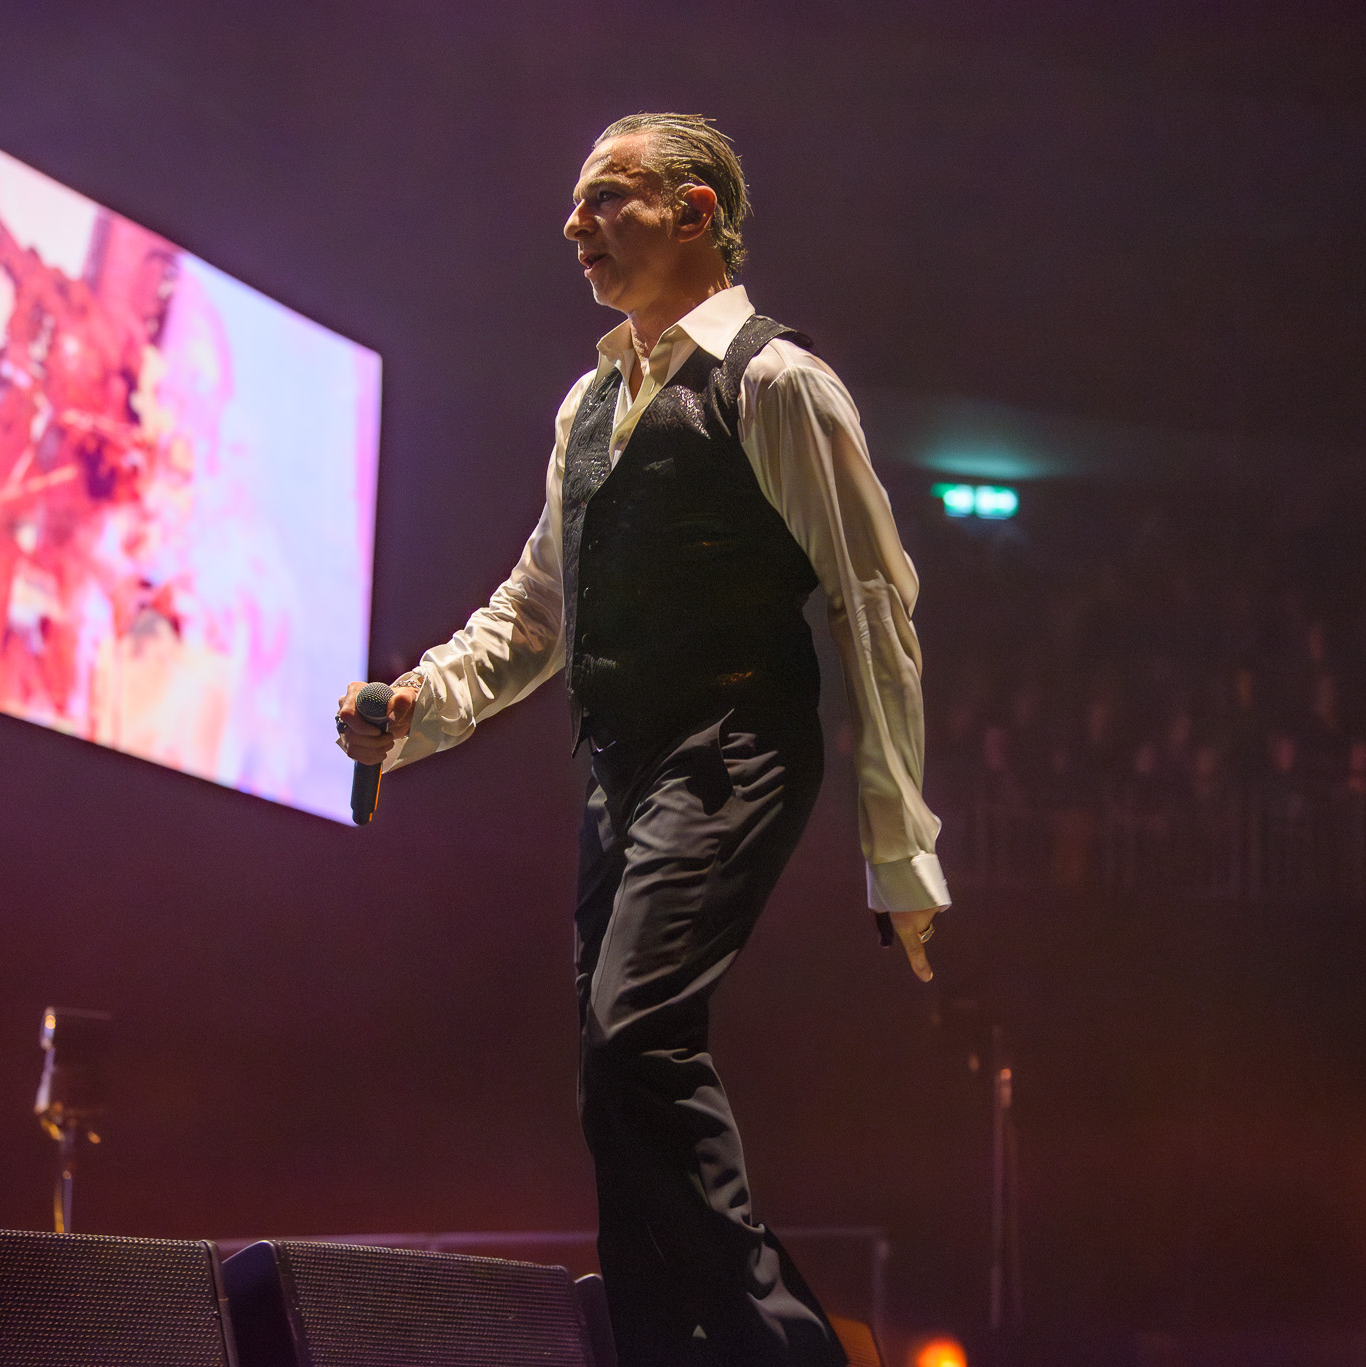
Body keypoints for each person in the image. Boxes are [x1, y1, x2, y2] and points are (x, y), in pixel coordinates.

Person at [337, 113, 948, 1366]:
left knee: (632, 1038)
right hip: (618, 772)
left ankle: (789, 1350)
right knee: (613, 1090)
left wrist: (899, 851)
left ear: (694, 212)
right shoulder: (590, 401)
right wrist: (416, 706)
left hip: (734, 745)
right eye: (577, 203)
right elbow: (538, 607)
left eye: (605, 198)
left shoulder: (775, 383)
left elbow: (873, 608)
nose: (574, 225)